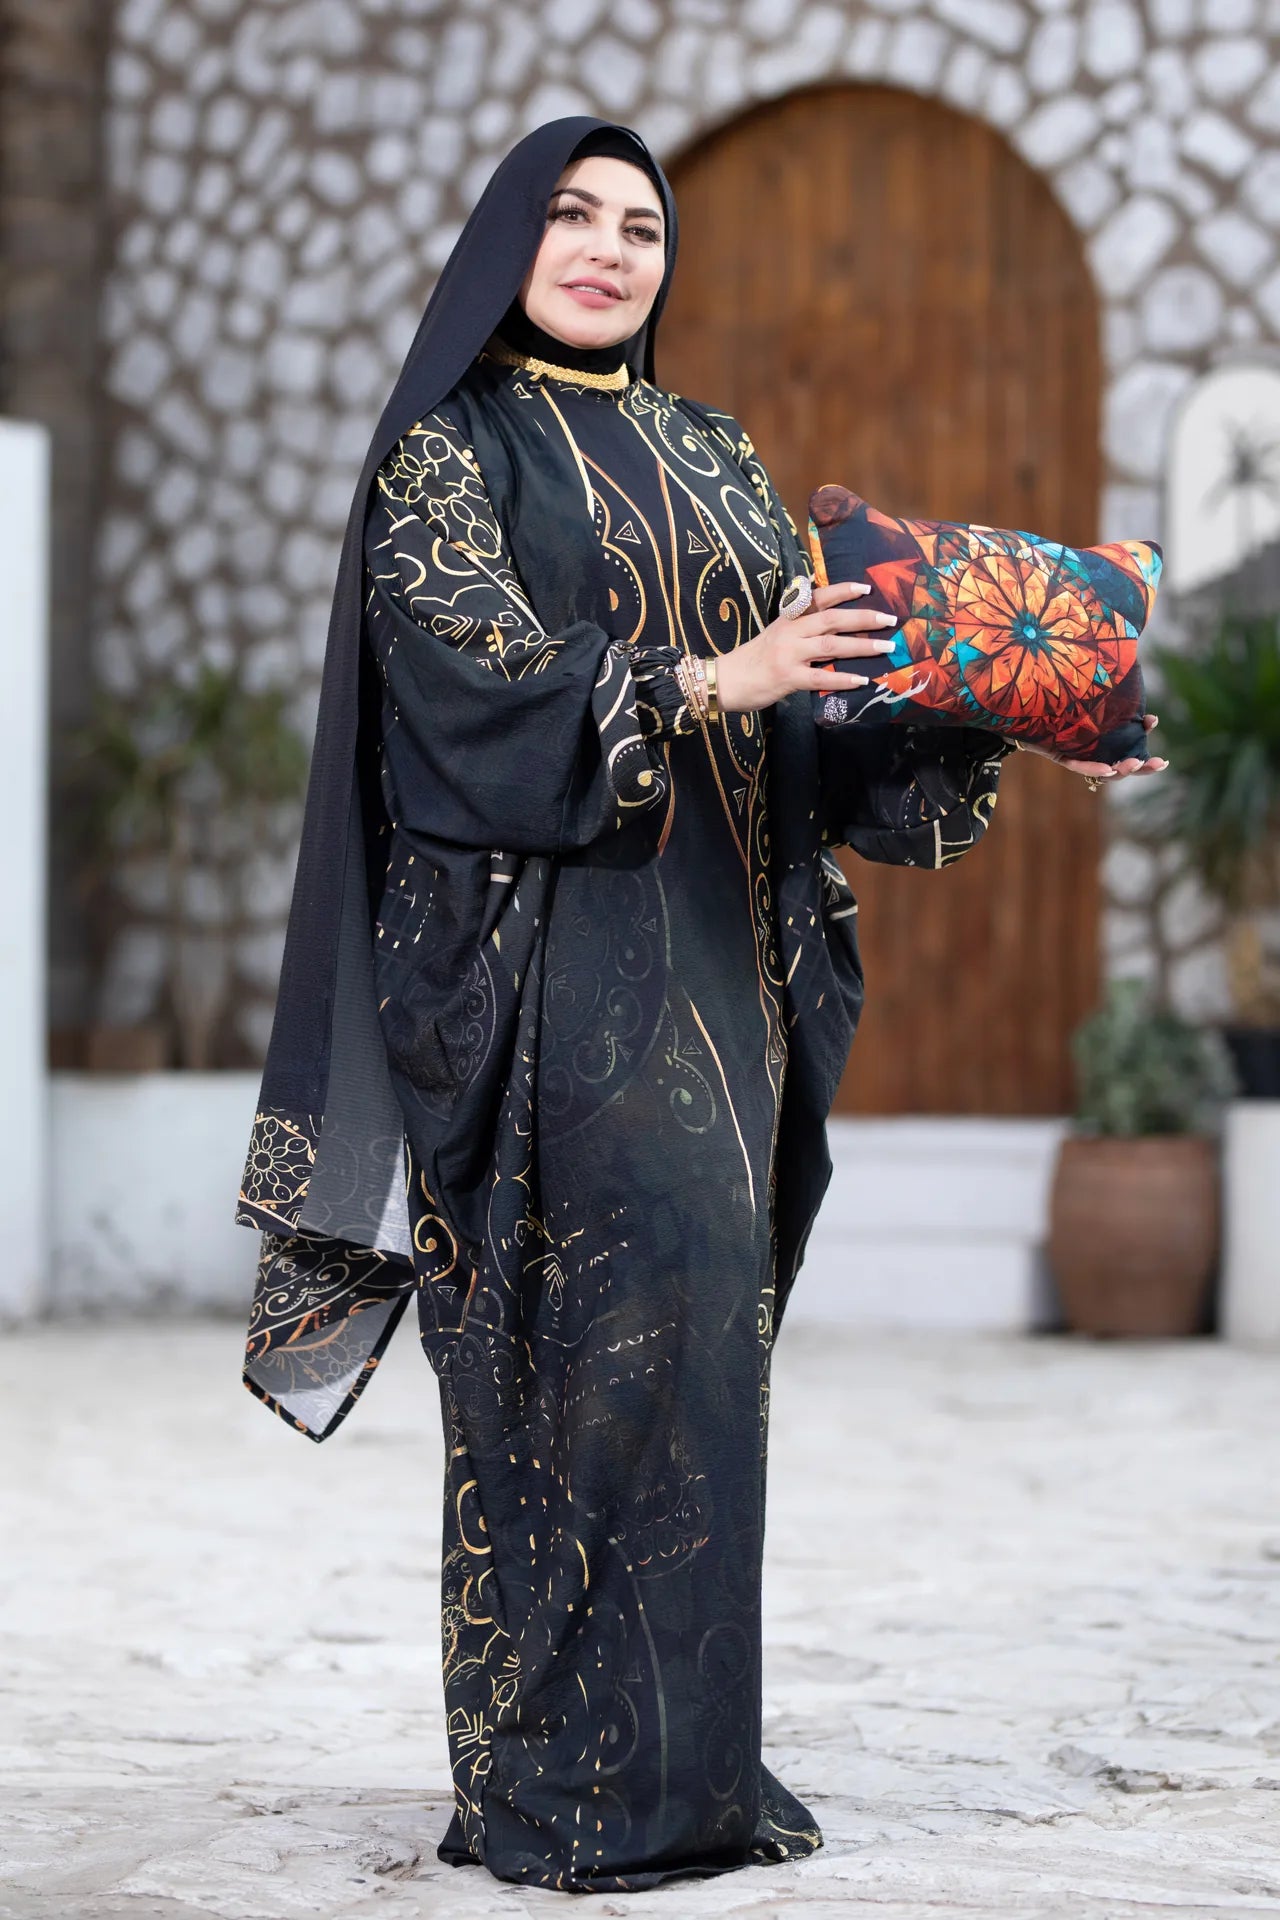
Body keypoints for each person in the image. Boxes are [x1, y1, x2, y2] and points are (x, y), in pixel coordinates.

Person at [234, 117, 1163, 1894]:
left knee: (700, 1367)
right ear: (509, 237)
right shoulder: (448, 452)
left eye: (641, 226)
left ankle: (685, 1766)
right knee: (577, 1366)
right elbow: (468, 696)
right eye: (571, 216)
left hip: (722, 979)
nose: (607, 248)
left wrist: (1030, 707)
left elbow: (813, 711)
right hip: (545, 982)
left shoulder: (717, 454)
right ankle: (559, 1779)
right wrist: (702, 675)